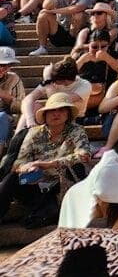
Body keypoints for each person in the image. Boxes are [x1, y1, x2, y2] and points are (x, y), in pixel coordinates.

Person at [0, 92, 90, 226]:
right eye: (52, 111)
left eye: (61, 110)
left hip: (61, 183)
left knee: (77, 168)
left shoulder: (76, 131)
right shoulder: (34, 133)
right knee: (11, 178)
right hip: (35, 182)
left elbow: (84, 155)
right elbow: (19, 162)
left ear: (68, 114)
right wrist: (27, 168)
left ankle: (59, 209)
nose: (56, 114)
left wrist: (50, 164)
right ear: (45, 115)